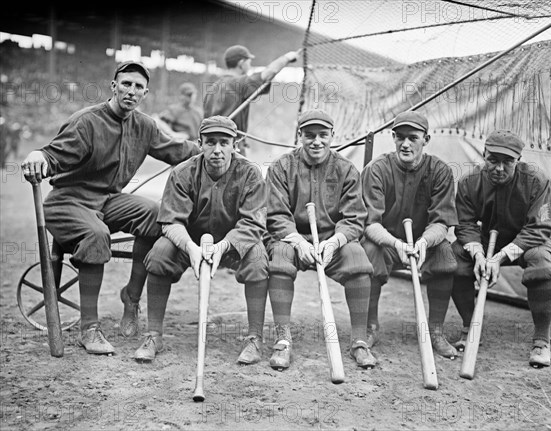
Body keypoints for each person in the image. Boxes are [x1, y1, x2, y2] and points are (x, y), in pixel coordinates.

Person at [20, 60, 201, 355]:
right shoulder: (87, 121)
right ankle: (89, 328)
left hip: (108, 200)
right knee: (96, 234)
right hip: (68, 199)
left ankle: (131, 297)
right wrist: (38, 154)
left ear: (145, 93)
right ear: (114, 86)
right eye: (126, 84)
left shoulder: (145, 126)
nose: (131, 91)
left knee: (158, 216)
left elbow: (175, 150)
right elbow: (53, 154)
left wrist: (207, 147)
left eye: (138, 86)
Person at [136, 116, 269, 362]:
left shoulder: (251, 173)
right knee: (159, 254)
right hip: (191, 243)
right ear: (200, 143)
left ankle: (254, 338)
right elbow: (171, 221)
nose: (217, 150)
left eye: (224, 142)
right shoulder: (183, 172)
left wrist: (223, 246)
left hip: (232, 244)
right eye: (210, 142)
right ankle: (153, 334)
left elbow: (253, 223)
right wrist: (190, 247)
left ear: (235, 144)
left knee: (259, 258)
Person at [265, 109, 377, 370]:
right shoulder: (281, 167)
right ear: (299, 135)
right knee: (279, 257)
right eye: (310, 135)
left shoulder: (346, 169)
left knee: (357, 257)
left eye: (323, 135)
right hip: (293, 239)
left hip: (331, 240)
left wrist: (335, 242)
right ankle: (283, 340)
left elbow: (353, 218)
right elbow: (276, 216)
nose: (317, 141)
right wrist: (299, 242)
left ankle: (360, 341)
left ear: (332, 136)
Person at [451, 129, 551, 367]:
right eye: (493, 160)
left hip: (535, 238)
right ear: (484, 155)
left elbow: (540, 227)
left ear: (518, 160)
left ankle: (542, 341)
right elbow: (465, 225)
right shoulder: (469, 182)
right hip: (489, 238)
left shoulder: (537, 180)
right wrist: (479, 254)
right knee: (454, 261)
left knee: (541, 266)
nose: (499, 168)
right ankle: (470, 327)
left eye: (507, 162)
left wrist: (499, 257)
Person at [360, 111, 459, 359]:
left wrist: (424, 241)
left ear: (426, 139)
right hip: (388, 241)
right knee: (370, 252)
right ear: (393, 137)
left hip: (425, 242)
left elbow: (442, 223)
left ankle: (435, 330)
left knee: (446, 256)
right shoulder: (376, 169)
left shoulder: (440, 171)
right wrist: (397, 243)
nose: (406, 144)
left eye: (413, 138)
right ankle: (370, 326)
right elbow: (370, 224)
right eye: (400, 137)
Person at [203, 45, 298, 156]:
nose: (250, 65)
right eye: (248, 62)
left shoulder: (211, 89)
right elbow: (269, 72)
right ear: (241, 63)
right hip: (229, 149)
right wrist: (286, 58)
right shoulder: (238, 83)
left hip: (209, 150)